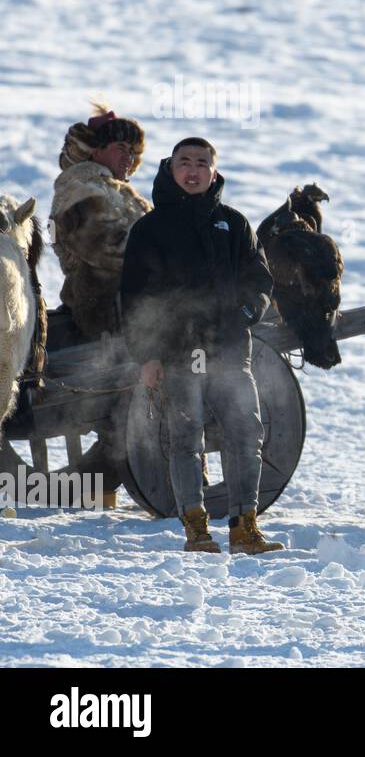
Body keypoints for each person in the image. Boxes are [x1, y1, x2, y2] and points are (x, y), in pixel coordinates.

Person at [119, 138, 282, 554]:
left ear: (214, 171)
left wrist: (247, 312)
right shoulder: (150, 229)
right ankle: (196, 529)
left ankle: (245, 528)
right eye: (184, 163)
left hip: (230, 350)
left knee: (247, 434)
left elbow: (259, 279)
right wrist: (148, 356)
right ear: (170, 169)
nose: (193, 170)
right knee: (185, 439)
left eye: (202, 163)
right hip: (178, 353)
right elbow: (135, 297)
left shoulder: (233, 223)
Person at [48, 105, 151, 506]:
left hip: (130, 302)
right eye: (122, 147)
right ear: (97, 151)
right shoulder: (81, 190)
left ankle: (106, 476)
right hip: (105, 307)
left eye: (134, 152)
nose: (130, 158)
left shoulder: (113, 188)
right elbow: (104, 249)